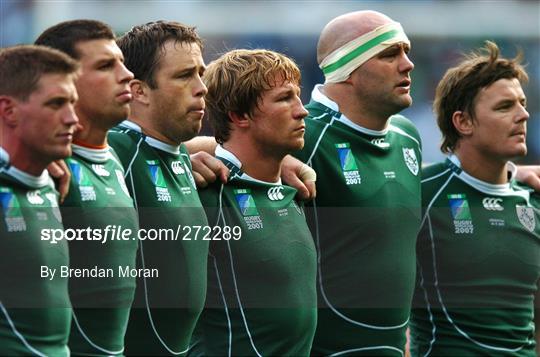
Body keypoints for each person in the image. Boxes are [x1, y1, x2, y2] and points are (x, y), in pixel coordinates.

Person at [288, 10, 421, 355]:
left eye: (406, 52)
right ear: (348, 68)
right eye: (390, 54)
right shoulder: (301, 137)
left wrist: (512, 175)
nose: (408, 65)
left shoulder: (408, 138)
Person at [410, 41, 539, 356]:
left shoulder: (532, 198)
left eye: (522, 104)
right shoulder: (419, 193)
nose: (523, 115)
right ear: (463, 122)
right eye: (504, 107)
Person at [190, 49, 317, 356]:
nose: (302, 111)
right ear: (239, 115)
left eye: (298, 97)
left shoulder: (292, 189)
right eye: (285, 98)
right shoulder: (204, 194)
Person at [35, 20, 140, 356]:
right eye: (106, 66)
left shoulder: (118, 154)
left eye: (122, 62)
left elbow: (175, 145)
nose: (126, 75)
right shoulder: (39, 168)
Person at [109, 21, 210, 355]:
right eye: (184, 76)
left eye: (200, 72)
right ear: (138, 90)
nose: (201, 87)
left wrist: (281, 161)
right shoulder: (114, 152)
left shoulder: (175, 149)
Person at [0, 44, 79, 356]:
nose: (73, 118)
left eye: (72, 103)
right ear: (9, 111)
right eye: (56, 103)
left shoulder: (49, 176)